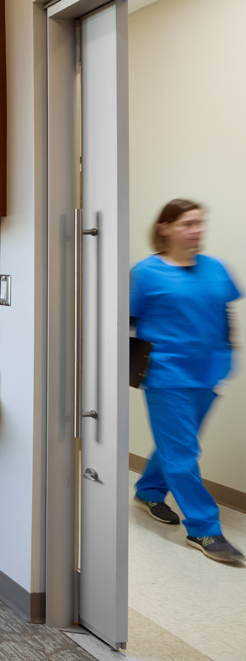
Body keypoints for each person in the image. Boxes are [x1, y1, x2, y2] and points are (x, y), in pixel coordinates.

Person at [130, 199, 243, 563]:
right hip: (166, 376)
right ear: (165, 228)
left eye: (200, 223)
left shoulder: (215, 268)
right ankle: (204, 529)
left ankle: (149, 491)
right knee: (183, 453)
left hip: (208, 373)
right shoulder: (147, 272)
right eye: (188, 223)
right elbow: (125, 321)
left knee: (178, 444)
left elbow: (225, 312)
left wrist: (229, 351)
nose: (197, 230)